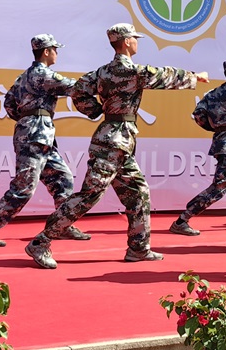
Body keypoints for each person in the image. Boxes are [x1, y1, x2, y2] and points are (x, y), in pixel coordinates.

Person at [25, 23, 209, 269]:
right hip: (114, 142)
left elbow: (79, 91)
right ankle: (41, 242)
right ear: (126, 41)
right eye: (135, 38)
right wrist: (194, 76)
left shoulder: (101, 72)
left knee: (138, 193)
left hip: (118, 142)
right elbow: (164, 75)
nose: (137, 42)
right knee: (90, 195)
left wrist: (95, 110)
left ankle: (138, 249)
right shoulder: (130, 71)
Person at [0, 34, 89, 247]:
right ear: (46, 51)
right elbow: (75, 87)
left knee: (63, 178)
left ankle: (62, 226)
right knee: (24, 187)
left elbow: (9, 103)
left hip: (39, 135)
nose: (57, 53)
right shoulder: (43, 74)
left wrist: (24, 119)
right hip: (35, 135)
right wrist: (105, 82)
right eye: (55, 49)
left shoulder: (23, 77)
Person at [169, 58, 226, 237]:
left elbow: (198, 114)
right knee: (219, 188)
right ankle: (182, 221)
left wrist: (215, 128)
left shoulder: (213, 93)